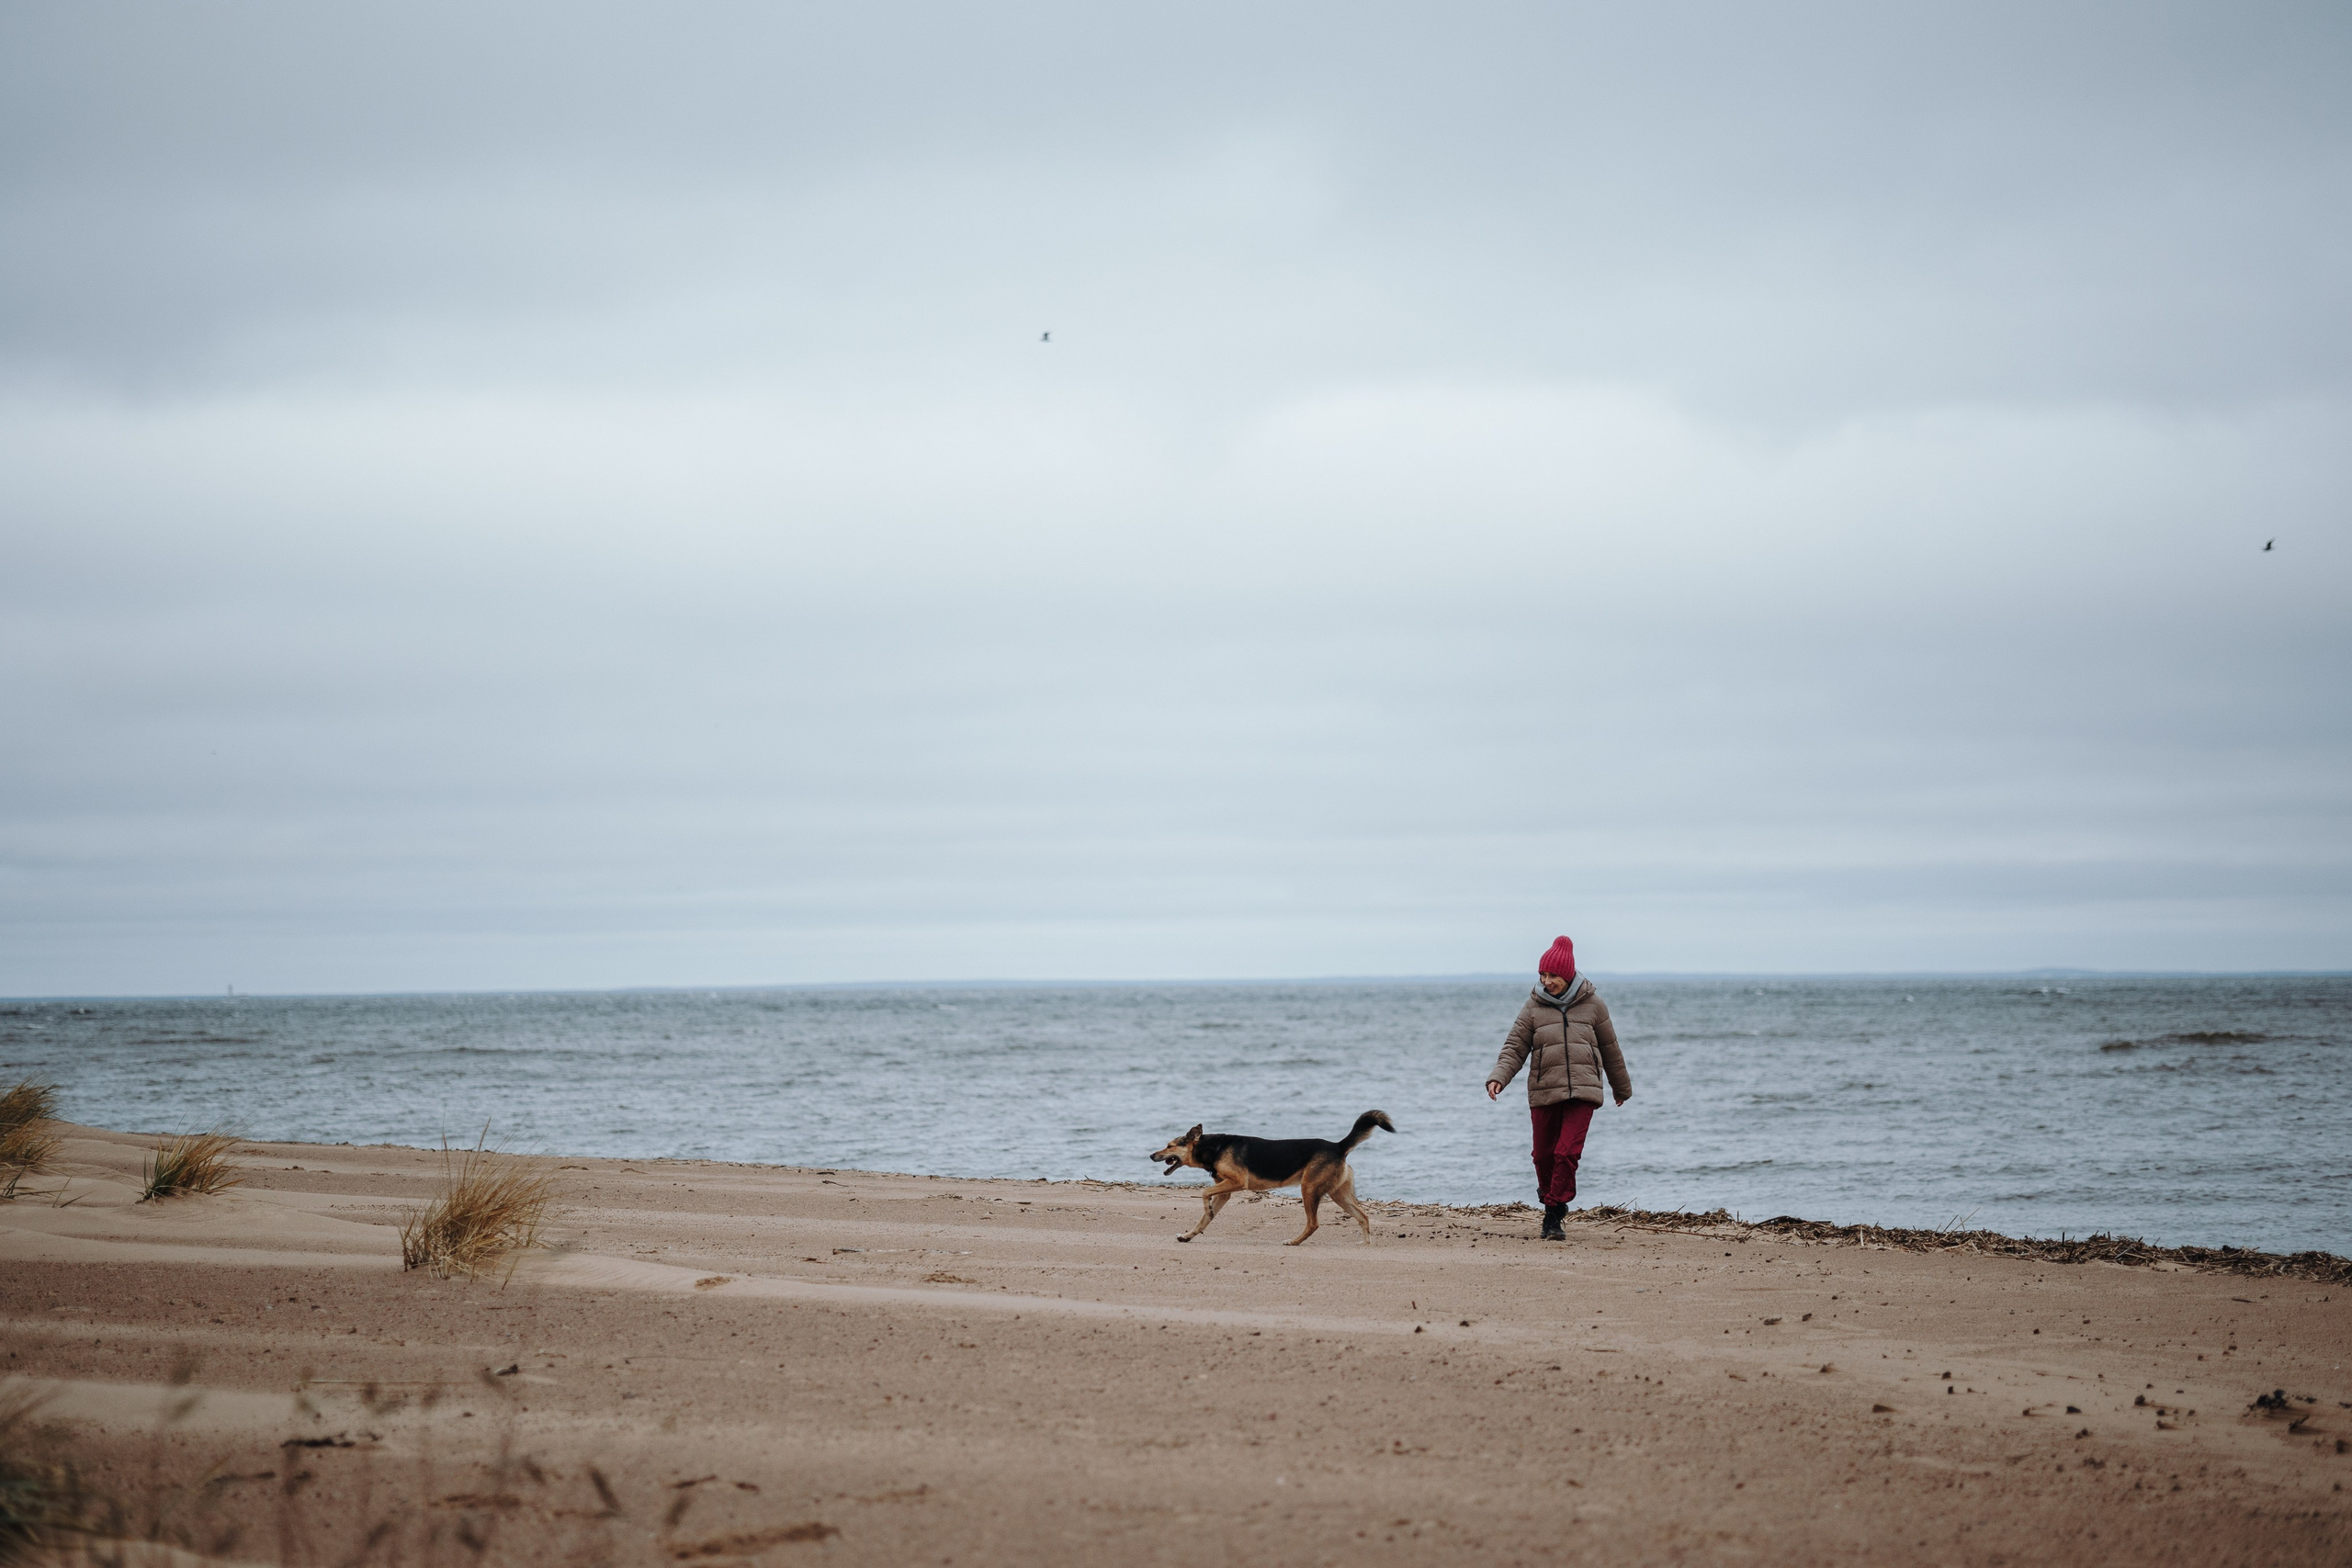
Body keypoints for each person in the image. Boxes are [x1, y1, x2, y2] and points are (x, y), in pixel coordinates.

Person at [1485, 935, 1631, 1240]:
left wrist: (1621, 1088)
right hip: (1544, 1090)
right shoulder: (1533, 1007)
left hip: (1584, 1090)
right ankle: (1554, 1200)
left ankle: (1552, 1214)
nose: (1547, 981)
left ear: (1568, 975)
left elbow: (1610, 1048)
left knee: (1566, 1153)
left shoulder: (1594, 1005)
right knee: (1542, 1155)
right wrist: (1499, 1076)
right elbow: (1515, 1046)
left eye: (1553, 975)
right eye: (1543, 975)